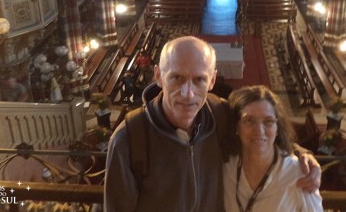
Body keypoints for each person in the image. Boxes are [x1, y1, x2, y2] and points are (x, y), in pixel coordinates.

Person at [104, 36, 320, 212]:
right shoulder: (129, 139)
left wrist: (302, 155)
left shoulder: (220, 113)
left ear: (212, 81)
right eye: (176, 78)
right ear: (159, 76)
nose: (188, 94)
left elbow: (260, 132)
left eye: (199, 79)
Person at [223, 85, 324, 212]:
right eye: (249, 121)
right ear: (236, 127)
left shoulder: (298, 174)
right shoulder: (226, 169)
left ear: (277, 128)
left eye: (268, 121)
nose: (259, 131)